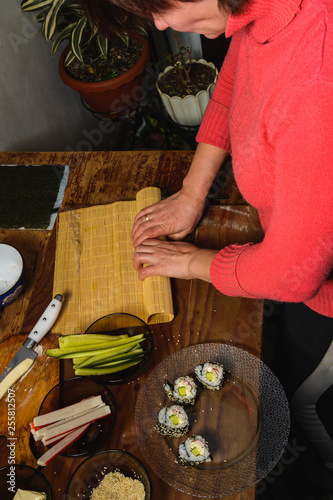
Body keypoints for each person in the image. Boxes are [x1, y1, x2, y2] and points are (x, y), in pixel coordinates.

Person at [80, 0, 333, 484]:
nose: (158, 23)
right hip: (292, 243)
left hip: (320, 293)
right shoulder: (264, 12)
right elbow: (238, 72)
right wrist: (193, 193)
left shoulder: (317, 84)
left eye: (160, 5)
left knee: (301, 395)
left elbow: (292, 274)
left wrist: (194, 262)